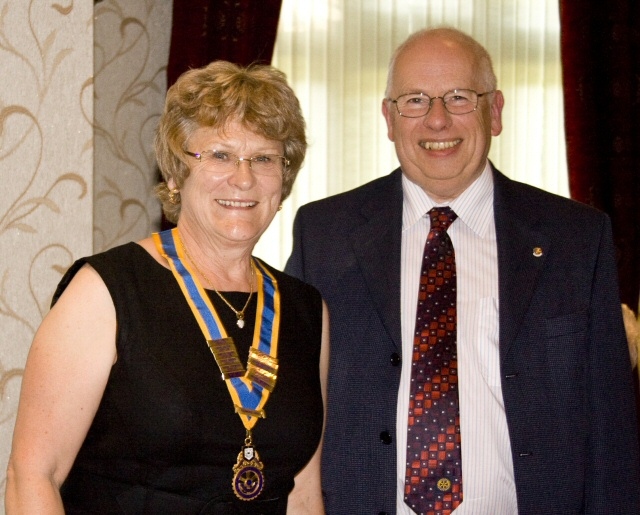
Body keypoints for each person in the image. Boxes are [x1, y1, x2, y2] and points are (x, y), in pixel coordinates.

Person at [285, 27, 640, 514]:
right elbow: (291, 408)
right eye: (414, 100)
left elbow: (611, 431)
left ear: (494, 111)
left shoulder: (577, 239)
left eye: (458, 97)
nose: (436, 120)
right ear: (389, 118)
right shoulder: (322, 234)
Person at [6, 61, 328, 514]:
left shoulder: (305, 309)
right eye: (219, 155)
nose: (243, 177)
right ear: (176, 173)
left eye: (263, 158)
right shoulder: (105, 291)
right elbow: (33, 476)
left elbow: (304, 492)